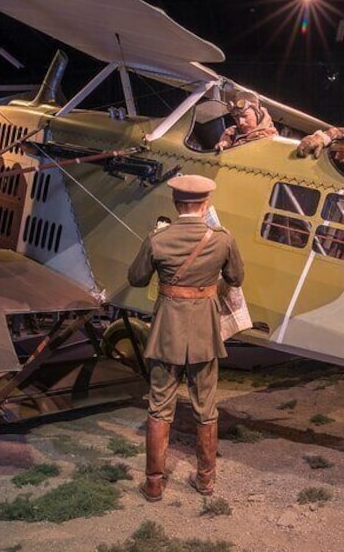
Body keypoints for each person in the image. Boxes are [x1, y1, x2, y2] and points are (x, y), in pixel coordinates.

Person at [127, 174, 245, 502]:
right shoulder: (221, 239)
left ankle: (153, 483)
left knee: (159, 406)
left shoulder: (158, 239)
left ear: (177, 204)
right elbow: (236, 277)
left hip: (167, 331)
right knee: (206, 407)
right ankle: (205, 480)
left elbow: (136, 279)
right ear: (205, 204)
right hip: (205, 331)